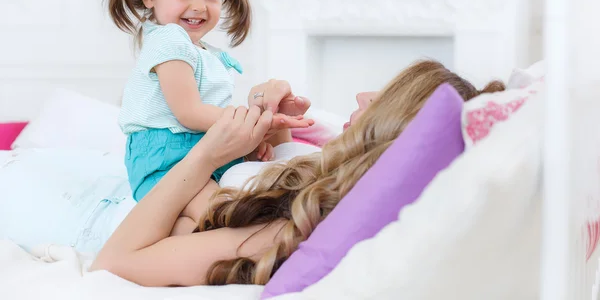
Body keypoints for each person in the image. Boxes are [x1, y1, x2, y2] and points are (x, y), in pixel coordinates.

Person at [89, 60, 505, 286]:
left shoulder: (282, 234)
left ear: (390, 131)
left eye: (382, 97)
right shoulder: (327, 183)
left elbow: (112, 264)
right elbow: (275, 180)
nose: (362, 95)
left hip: (108, 215)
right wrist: (281, 124)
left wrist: (206, 155)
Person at [88, 0, 312, 232]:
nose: (198, 6)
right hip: (166, 159)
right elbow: (190, 113)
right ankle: (171, 250)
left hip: (204, 152)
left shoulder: (209, 54)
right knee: (217, 215)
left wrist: (250, 142)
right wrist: (253, 122)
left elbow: (209, 119)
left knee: (241, 204)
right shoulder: (168, 40)